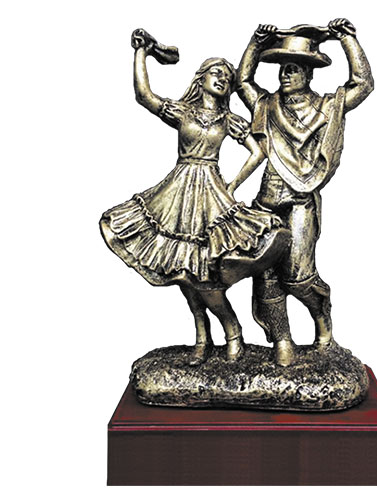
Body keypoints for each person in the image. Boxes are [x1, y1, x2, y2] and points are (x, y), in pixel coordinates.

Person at [100, 29, 286, 366]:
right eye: (216, 72)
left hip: (211, 193)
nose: (223, 79)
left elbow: (258, 152)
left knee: (204, 272)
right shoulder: (183, 112)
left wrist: (232, 185)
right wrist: (141, 52)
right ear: (201, 78)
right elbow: (144, 95)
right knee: (183, 270)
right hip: (177, 192)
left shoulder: (228, 119)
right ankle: (203, 335)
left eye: (227, 77)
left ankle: (232, 330)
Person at [234, 19, 374, 366]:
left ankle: (322, 321)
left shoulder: (327, 107)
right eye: (282, 68)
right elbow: (242, 81)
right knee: (265, 274)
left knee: (297, 277)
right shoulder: (266, 105)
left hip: (300, 201)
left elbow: (363, 84)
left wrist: (348, 39)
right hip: (267, 203)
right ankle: (283, 341)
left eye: (293, 69)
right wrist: (255, 43)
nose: (285, 74)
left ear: (308, 74)